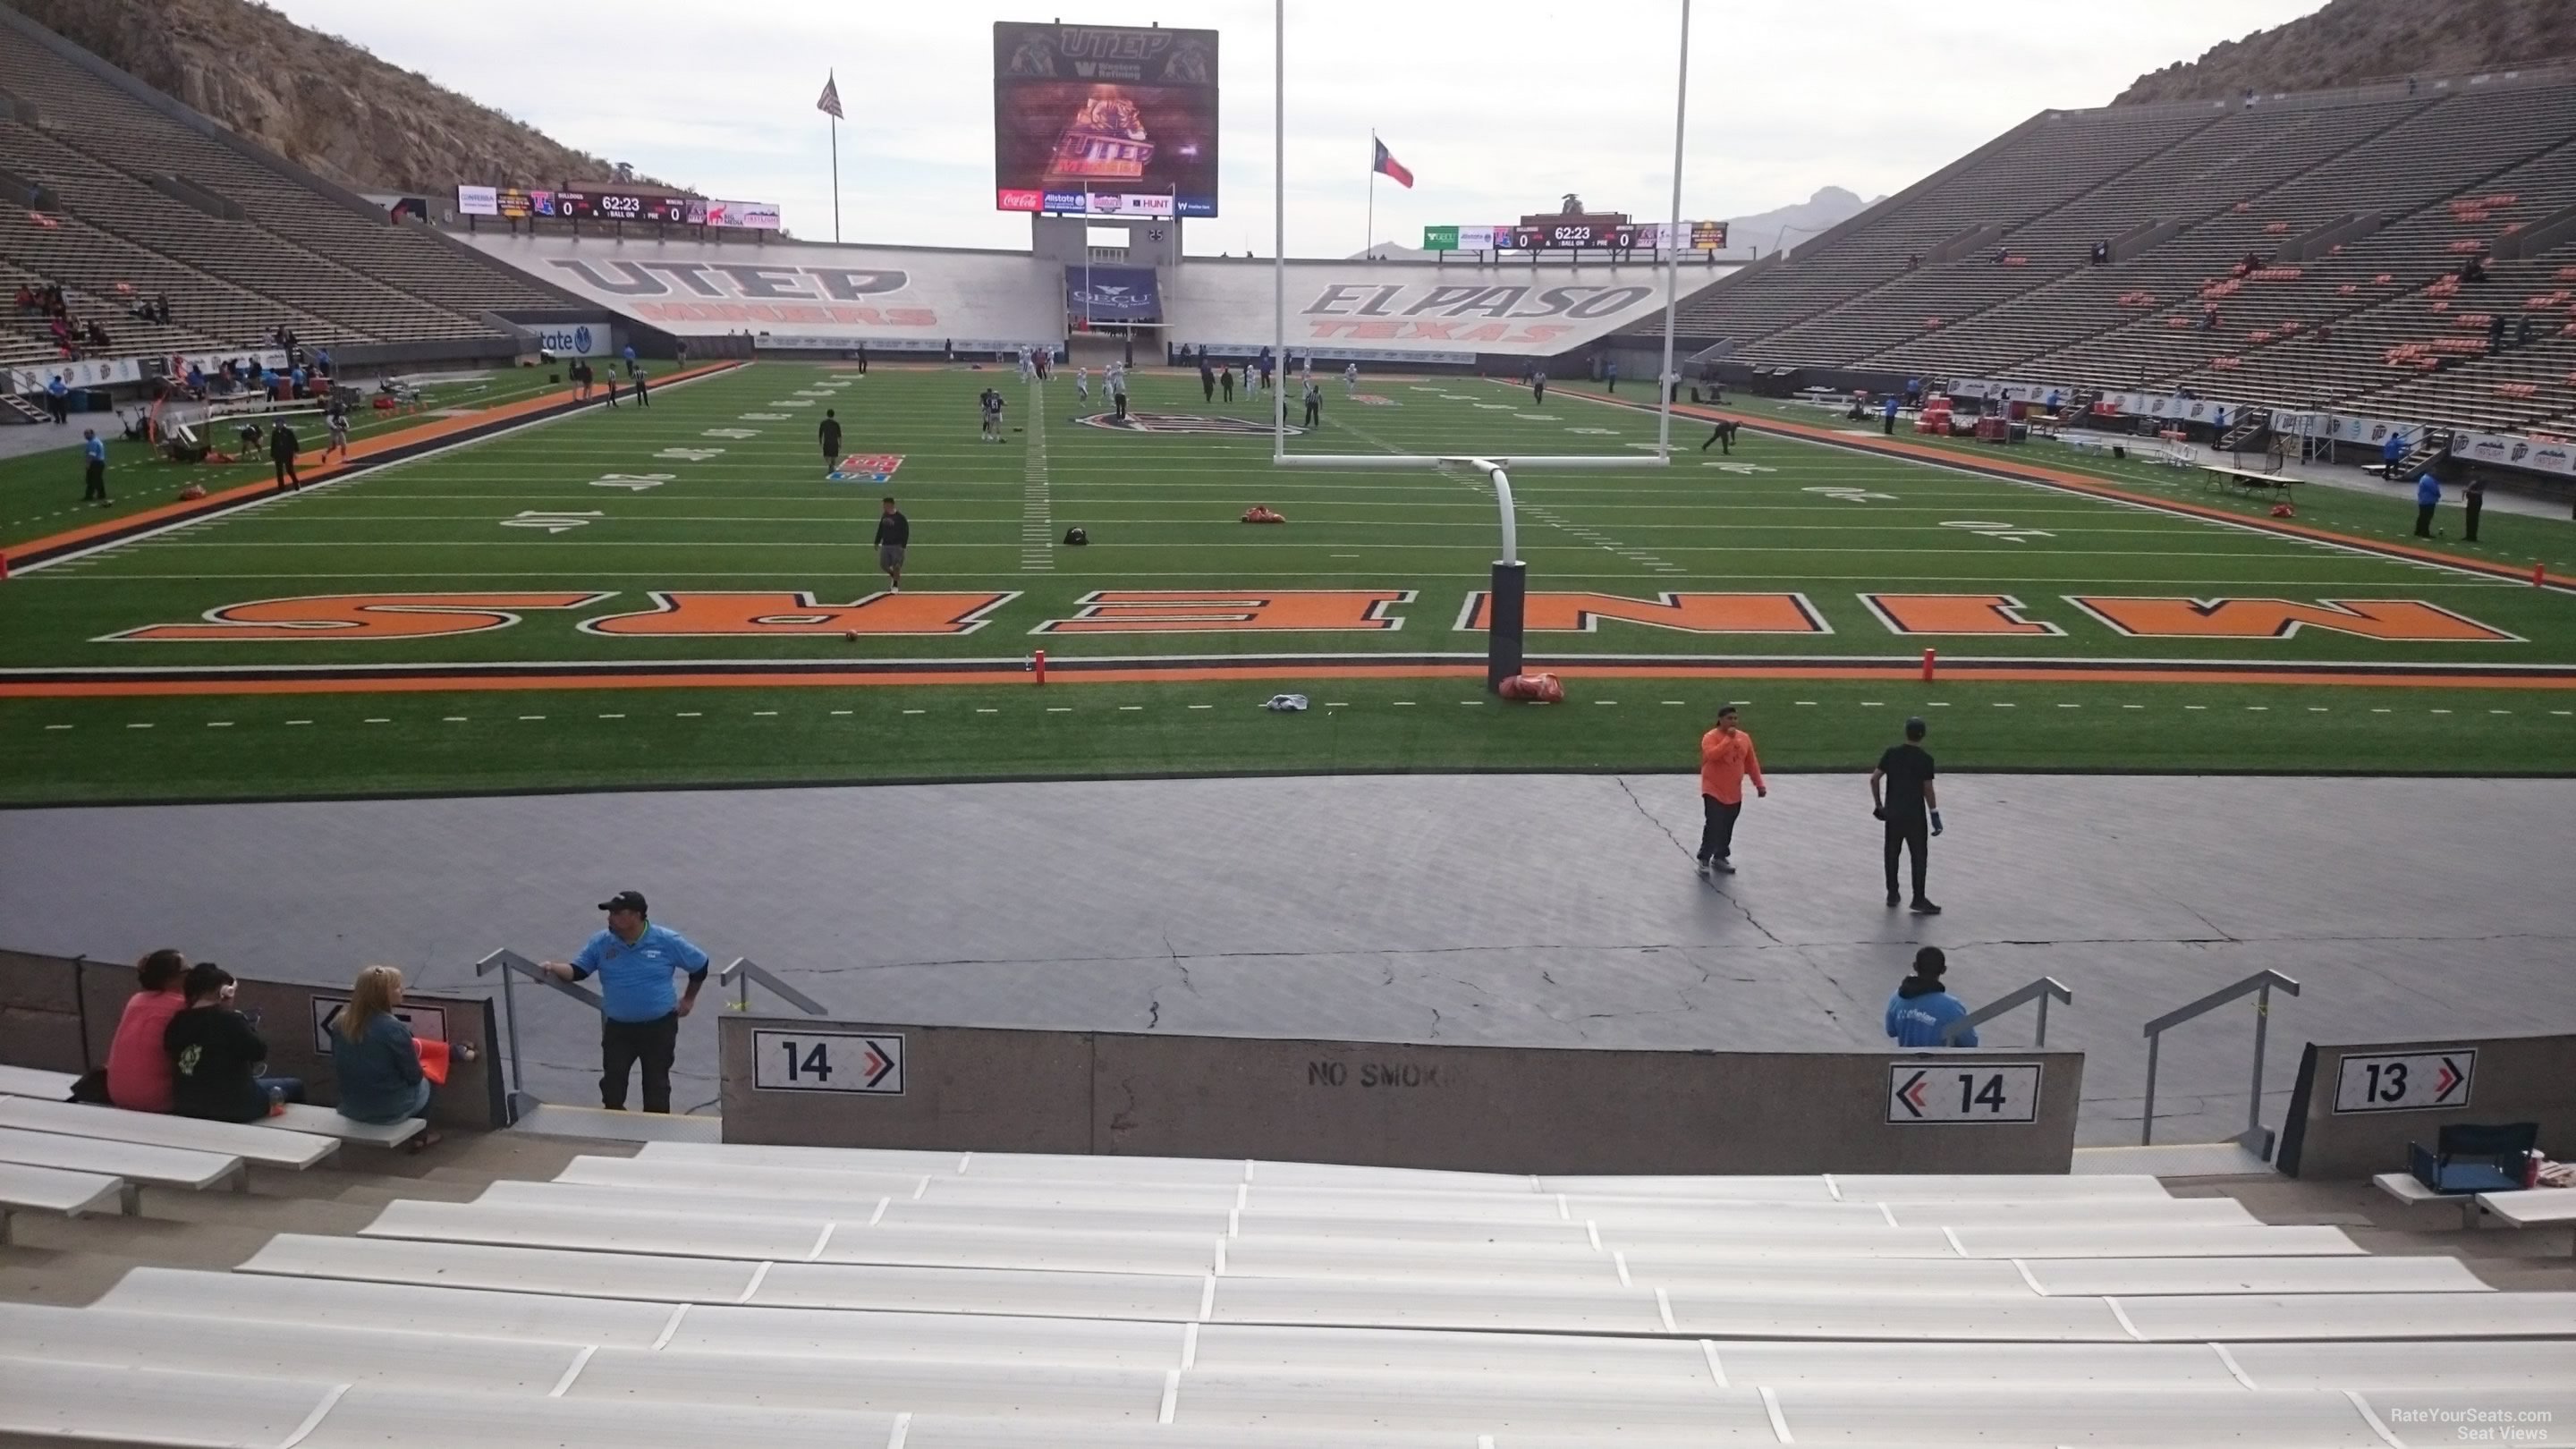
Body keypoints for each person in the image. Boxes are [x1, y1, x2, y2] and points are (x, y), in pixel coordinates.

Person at [536, 892, 709, 1114]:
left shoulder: (666, 940)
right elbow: (578, 971)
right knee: (613, 1082)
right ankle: (616, 1127)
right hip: (619, 1027)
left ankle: (655, 1133)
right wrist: (551, 967)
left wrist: (688, 1000)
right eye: (610, 913)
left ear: (636, 916)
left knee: (656, 1083)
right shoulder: (601, 942)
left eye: (617, 913)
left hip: (659, 1026)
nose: (610, 918)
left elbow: (700, 965)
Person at [165, 962, 302, 1122]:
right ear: (225, 992)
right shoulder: (230, 1020)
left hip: (187, 1105)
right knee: (295, 1086)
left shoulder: (178, 1021)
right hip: (236, 1107)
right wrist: (244, 1023)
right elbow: (258, 1052)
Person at [331, 965, 438, 1141]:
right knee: (430, 1079)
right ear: (382, 995)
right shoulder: (393, 1028)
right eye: (397, 987)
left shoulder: (340, 1023)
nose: (402, 990)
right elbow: (414, 1075)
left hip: (351, 1106)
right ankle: (420, 1136)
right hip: (388, 1110)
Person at [1870, 716, 1943, 914]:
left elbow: (1875, 779)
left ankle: (1892, 894)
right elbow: (1928, 790)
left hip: (1893, 814)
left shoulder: (1891, 754)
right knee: (1918, 857)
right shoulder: (1926, 760)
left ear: (1906, 732)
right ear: (1923, 735)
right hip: (1915, 816)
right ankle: (1918, 898)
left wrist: (1879, 805)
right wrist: (1935, 816)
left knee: (1891, 853)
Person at [106, 949, 191, 1112]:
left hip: (118, 1093)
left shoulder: (136, 1000)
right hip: (158, 1100)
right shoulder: (181, 1006)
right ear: (170, 979)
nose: (191, 975)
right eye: (187, 971)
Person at [1695, 705, 1767, 877]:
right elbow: (1713, 755)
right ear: (1720, 720)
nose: (1733, 721)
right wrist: (1728, 740)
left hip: (1734, 792)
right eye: (1729, 718)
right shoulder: (1710, 737)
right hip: (1713, 789)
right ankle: (1704, 858)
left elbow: (1751, 763)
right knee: (1713, 824)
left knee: (1727, 825)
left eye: (1735, 718)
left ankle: (1720, 856)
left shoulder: (1744, 738)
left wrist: (1759, 784)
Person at [1885, 948, 1977, 1047]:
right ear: (1943, 970)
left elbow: (1891, 1031)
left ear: (1915, 966)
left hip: (1905, 1061)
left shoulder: (1897, 998)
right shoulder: (1951, 1007)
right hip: (1937, 1062)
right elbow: (1970, 1042)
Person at [873, 496, 910, 591]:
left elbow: (905, 532)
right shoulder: (884, 515)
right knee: (884, 565)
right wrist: (877, 541)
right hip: (886, 545)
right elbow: (881, 528)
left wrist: (903, 546)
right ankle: (893, 575)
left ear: (891, 505)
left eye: (885, 504)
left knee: (896, 566)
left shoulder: (900, 518)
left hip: (897, 546)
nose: (884, 506)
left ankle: (895, 585)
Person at [269, 419, 301, 491]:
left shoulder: (288, 432)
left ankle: (296, 483)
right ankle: (281, 487)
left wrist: (296, 452)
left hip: (287, 453)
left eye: (279, 423)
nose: (278, 424)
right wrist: (272, 455)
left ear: (283, 424)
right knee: (279, 471)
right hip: (278, 454)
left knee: (289, 470)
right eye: (277, 423)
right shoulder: (275, 433)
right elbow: (273, 444)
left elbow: (294, 441)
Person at [80, 428, 109, 505]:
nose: (85, 435)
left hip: (96, 463)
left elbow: (92, 455)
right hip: (99, 463)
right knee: (97, 479)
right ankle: (101, 494)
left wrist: (88, 464)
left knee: (91, 480)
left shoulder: (93, 442)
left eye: (87, 433)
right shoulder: (97, 440)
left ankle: (89, 496)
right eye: (85, 434)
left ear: (92, 434)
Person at [2414, 469, 2441, 538]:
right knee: (2427, 517)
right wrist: (2438, 494)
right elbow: (2434, 490)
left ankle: (2418, 531)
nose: (2435, 472)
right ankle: (2425, 533)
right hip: (2428, 501)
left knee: (2422, 516)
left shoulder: (2424, 478)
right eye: (2434, 471)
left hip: (2424, 500)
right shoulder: (2428, 479)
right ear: (2429, 471)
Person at [323, 396, 350, 463]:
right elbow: (328, 421)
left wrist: (346, 427)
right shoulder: (333, 413)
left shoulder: (341, 413)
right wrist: (335, 427)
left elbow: (344, 420)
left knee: (344, 444)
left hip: (339, 430)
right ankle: (324, 454)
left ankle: (344, 458)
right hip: (334, 432)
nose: (343, 408)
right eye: (342, 407)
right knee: (334, 447)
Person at [819, 408, 843, 477]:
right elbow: (839, 435)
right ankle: (832, 466)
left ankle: (830, 465)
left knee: (826, 455)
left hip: (827, 441)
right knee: (834, 456)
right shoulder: (836, 424)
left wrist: (820, 441)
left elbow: (820, 433)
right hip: (834, 442)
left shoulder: (823, 423)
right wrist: (840, 443)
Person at [2462, 476, 2484, 544]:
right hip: (2471, 502)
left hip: (2475, 503)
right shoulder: (2472, 482)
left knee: (2473, 520)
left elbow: (2480, 492)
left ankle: (2473, 537)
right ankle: (2468, 535)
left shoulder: (2478, 484)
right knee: (2469, 520)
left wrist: (2469, 491)